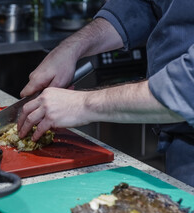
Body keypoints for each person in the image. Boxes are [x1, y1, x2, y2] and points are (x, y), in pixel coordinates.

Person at [17, 0, 194, 187]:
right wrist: (73, 47)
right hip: (179, 143)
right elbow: (145, 4)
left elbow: (188, 85)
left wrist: (82, 104)